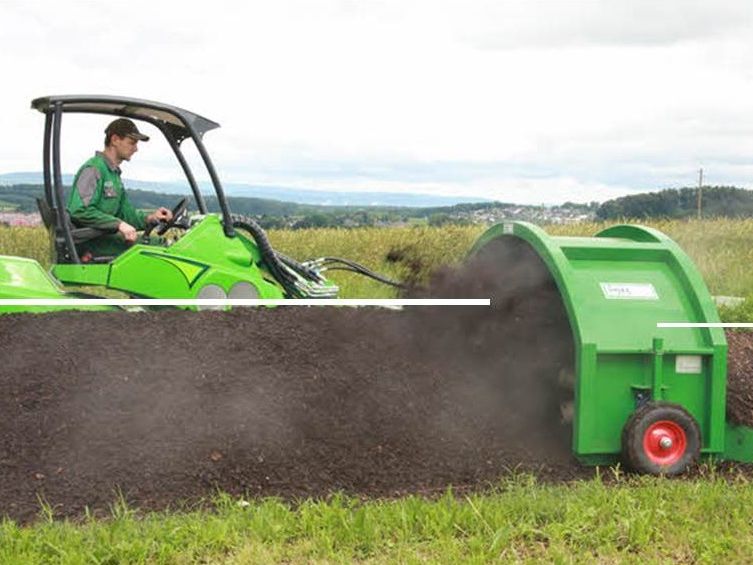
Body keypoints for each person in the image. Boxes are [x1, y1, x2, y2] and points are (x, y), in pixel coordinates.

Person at [67, 118, 173, 258]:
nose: (136, 149)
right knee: (163, 247)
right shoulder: (94, 169)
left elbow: (126, 215)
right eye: (132, 142)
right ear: (115, 139)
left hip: (106, 238)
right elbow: (79, 210)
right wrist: (118, 225)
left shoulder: (113, 174)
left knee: (165, 243)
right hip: (93, 242)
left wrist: (150, 217)